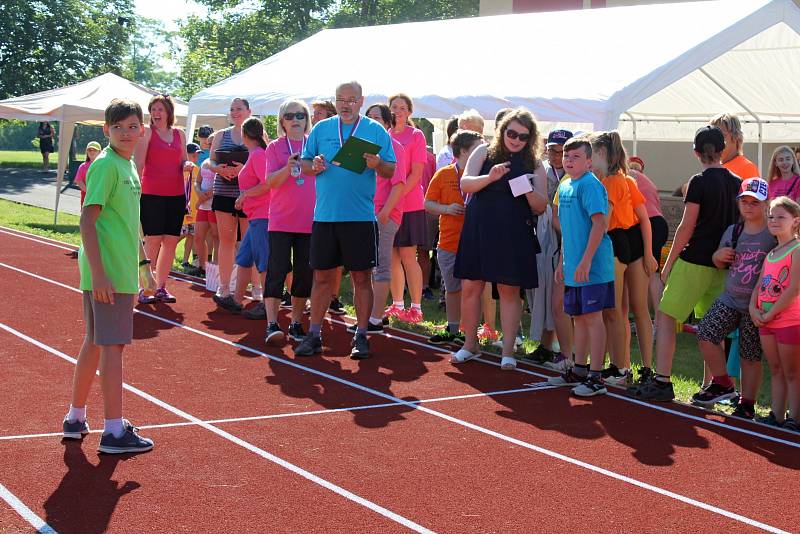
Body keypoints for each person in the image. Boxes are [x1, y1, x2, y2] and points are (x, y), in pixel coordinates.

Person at [62, 98, 156, 453]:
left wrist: (144, 263)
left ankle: (75, 417)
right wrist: (100, 274)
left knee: (96, 342)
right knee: (113, 347)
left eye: (133, 126)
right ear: (106, 130)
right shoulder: (106, 165)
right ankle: (114, 431)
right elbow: (88, 220)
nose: (126, 133)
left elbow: (128, 222)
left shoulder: (128, 165)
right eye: (118, 127)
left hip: (119, 269)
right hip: (109, 273)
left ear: (141, 129)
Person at [632, 126, 740, 402]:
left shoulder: (699, 182)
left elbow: (686, 226)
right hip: (724, 263)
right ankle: (711, 384)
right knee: (712, 327)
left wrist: (667, 267)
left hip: (694, 261)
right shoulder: (737, 181)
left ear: (695, 152)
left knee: (666, 318)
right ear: (723, 149)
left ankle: (663, 379)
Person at [296, 81, 396, 359]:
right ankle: (314, 333)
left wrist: (378, 165)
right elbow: (304, 164)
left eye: (351, 100)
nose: (345, 104)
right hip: (325, 216)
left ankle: (362, 335)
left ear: (361, 101)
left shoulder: (375, 130)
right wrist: (313, 166)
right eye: (341, 99)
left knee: (361, 277)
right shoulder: (321, 128)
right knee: (321, 277)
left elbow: (390, 169)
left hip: (360, 217)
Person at [450, 108, 547, 371]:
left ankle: (507, 352)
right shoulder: (483, 151)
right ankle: (470, 344)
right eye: (511, 133)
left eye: (522, 136)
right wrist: (489, 177)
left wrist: (526, 188)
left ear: (530, 139)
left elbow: (540, 205)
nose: (515, 139)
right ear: (502, 130)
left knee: (509, 290)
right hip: (479, 228)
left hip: (513, 232)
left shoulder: (535, 163)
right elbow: (466, 185)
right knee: (471, 286)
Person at [689, 178, 773, 420]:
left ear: (766, 204)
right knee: (706, 332)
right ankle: (724, 384)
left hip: (755, 305)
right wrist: (719, 255)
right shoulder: (734, 230)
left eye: (755, 203)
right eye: (744, 201)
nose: (748, 207)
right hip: (730, 297)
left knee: (749, 355)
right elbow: (717, 259)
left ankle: (747, 403)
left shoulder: (772, 232)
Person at [545, 137, 615, 396]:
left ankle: (596, 377)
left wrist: (586, 261)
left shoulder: (591, 185)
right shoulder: (564, 186)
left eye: (576, 157)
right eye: (566, 156)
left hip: (593, 267)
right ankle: (580, 369)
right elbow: (566, 229)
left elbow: (600, 224)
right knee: (578, 318)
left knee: (593, 319)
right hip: (573, 266)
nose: (569, 160)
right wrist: (565, 261)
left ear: (588, 161)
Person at [591, 131, 658, 387]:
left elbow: (607, 220)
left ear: (601, 153)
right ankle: (625, 366)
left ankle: (621, 368)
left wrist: (650, 254)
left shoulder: (612, 181)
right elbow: (643, 217)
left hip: (618, 242)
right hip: (628, 242)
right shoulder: (626, 179)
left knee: (616, 311)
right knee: (623, 309)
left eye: (591, 153)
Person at [345, 103, 407, 336]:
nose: (371, 121)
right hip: (360, 213)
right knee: (361, 266)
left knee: (381, 265)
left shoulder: (395, 147)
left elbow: (399, 184)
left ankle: (376, 318)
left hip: (384, 215)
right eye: (368, 117)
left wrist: (384, 213)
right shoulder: (361, 148)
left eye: (377, 118)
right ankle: (367, 315)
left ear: (388, 124)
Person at [261, 99, 316, 342]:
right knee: (277, 271)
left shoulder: (313, 145)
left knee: (304, 275)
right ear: (282, 121)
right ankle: (272, 323)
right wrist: (287, 167)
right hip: (281, 222)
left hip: (309, 222)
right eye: (290, 116)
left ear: (306, 120)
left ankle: (295, 323)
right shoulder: (274, 147)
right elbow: (270, 182)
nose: (296, 120)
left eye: (300, 115)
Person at [425, 130, 484, 344]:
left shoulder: (481, 175)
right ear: (463, 151)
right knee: (453, 289)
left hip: (476, 243)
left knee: (473, 290)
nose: (483, 152)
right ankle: (453, 329)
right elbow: (427, 204)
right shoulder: (443, 174)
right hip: (449, 243)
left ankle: (471, 333)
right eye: (478, 148)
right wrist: (447, 208)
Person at [133, 94, 192, 304]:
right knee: (153, 241)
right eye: (153, 109)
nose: (156, 113)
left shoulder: (180, 134)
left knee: (170, 242)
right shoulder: (147, 133)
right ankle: (144, 287)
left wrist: (187, 166)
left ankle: (161, 287)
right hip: (151, 195)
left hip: (175, 195)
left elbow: (183, 160)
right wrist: (134, 190)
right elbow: (138, 163)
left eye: (160, 109)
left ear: (169, 112)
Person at [752, 196, 800, 431]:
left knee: (793, 372)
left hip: (789, 321)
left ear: (795, 221)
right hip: (765, 321)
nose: (774, 220)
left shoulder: (797, 250)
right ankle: (777, 414)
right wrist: (754, 309)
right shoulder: (771, 254)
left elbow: (793, 289)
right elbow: (759, 285)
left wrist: (771, 315)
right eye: (771, 216)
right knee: (776, 369)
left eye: (781, 216)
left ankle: (795, 418)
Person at [213, 117, 270, 313]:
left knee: (263, 261)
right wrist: (243, 197)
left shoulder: (259, 155)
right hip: (254, 214)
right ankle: (236, 300)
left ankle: (267, 304)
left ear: (245, 135)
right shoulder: (255, 154)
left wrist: (244, 195)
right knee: (244, 258)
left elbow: (267, 184)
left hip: (262, 215)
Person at [527, 129, 572, 366]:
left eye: (561, 151)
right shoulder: (541, 169)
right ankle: (545, 344)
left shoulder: (576, 173)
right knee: (541, 293)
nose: (556, 156)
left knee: (560, 298)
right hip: (543, 236)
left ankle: (567, 350)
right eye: (552, 150)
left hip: (564, 239)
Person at [207, 98, 259, 303]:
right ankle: (224, 287)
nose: (235, 112)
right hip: (223, 192)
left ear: (249, 111)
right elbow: (210, 160)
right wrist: (218, 169)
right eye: (232, 109)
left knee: (251, 242)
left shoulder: (258, 134)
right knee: (226, 241)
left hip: (249, 195)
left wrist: (243, 170)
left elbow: (264, 159)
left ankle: (256, 287)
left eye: (239, 109)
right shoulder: (221, 135)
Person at [386, 93, 428, 323]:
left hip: (409, 204)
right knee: (391, 256)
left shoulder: (416, 135)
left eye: (402, 108)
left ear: (409, 112)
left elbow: (417, 172)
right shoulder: (385, 135)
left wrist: (398, 195)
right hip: (388, 205)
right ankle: (397, 304)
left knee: (407, 256)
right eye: (394, 107)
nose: (398, 111)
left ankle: (416, 307)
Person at [310, 99, 347, 315]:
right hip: (316, 207)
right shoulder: (313, 136)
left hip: (340, 208)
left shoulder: (342, 134)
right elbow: (305, 165)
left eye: (319, 113)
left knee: (336, 260)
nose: (314, 117)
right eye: (314, 113)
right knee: (317, 261)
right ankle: (313, 301)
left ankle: (333, 297)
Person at [628, 155, 669, 316]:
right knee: (652, 275)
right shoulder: (646, 180)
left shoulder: (627, 175)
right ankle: (655, 321)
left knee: (649, 275)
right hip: (658, 224)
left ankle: (653, 321)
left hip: (649, 225)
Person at [192, 154, 218, 278]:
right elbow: (197, 181)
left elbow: (219, 184)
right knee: (198, 237)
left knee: (216, 237)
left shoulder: (222, 163)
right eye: (210, 143)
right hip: (203, 206)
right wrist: (198, 192)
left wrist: (200, 200)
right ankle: (202, 267)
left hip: (214, 205)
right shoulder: (205, 161)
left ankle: (217, 269)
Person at [712, 113, 759, 180]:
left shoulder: (747, 167)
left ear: (736, 136)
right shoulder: (713, 167)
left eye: (721, 135)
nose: (716, 139)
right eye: (713, 136)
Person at [179, 143, 202, 275]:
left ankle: (185, 261)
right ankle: (162, 253)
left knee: (191, 236)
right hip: (183, 209)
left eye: (198, 153)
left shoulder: (198, 169)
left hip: (195, 210)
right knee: (179, 235)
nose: (196, 155)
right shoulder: (181, 169)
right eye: (193, 153)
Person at [74, 141, 102, 207]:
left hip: (100, 195)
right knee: (86, 215)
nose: (92, 152)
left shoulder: (103, 166)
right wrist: (88, 192)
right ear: (87, 152)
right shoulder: (83, 166)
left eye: (94, 150)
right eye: (89, 150)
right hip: (86, 196)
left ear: (100, 152)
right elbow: (78, 180)